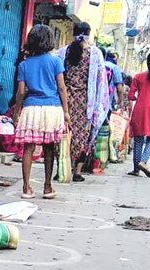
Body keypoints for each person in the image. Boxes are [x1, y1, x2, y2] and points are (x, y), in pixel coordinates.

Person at [12, 24, 70, 199]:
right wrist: (66, 112)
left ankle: (26, 187)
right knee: (49, 149)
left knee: (28, 148)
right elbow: (61, 88)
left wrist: (16, 111)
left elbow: (21, 91)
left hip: (31, 108)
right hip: (52, 109)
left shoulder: (24, 64)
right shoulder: (55, 61)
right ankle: (47, 187)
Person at [56, 22, 109, 182]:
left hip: (65, 100)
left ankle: (61, 169)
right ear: (89, 33)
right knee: (82, 136)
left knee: (64, 134)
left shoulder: (63, 52)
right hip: (86, 103)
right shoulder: (95, 53)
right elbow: (101, 81)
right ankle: (77, 172)